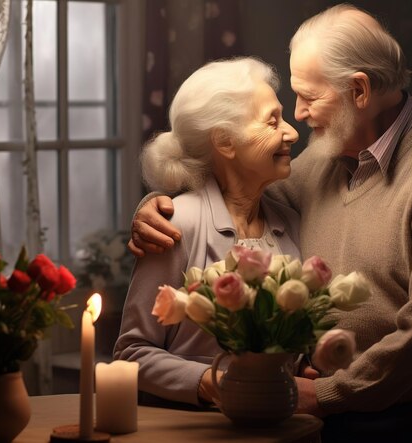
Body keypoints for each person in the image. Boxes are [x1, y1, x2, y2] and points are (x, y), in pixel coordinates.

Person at [128, 4, 412, 442]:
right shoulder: (325, 158)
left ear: (360, 91)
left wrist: (327, 393)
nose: (299, 115)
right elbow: (235, 195)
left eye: (309, 97)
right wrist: (159, 206)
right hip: (338, 411)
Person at [113, 57, 301, 408]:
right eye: (272, 121)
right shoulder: (177, 223)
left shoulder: (290, 222)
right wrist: (212, 383)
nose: (292, 132)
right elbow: (131, 352)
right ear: (226, 142)